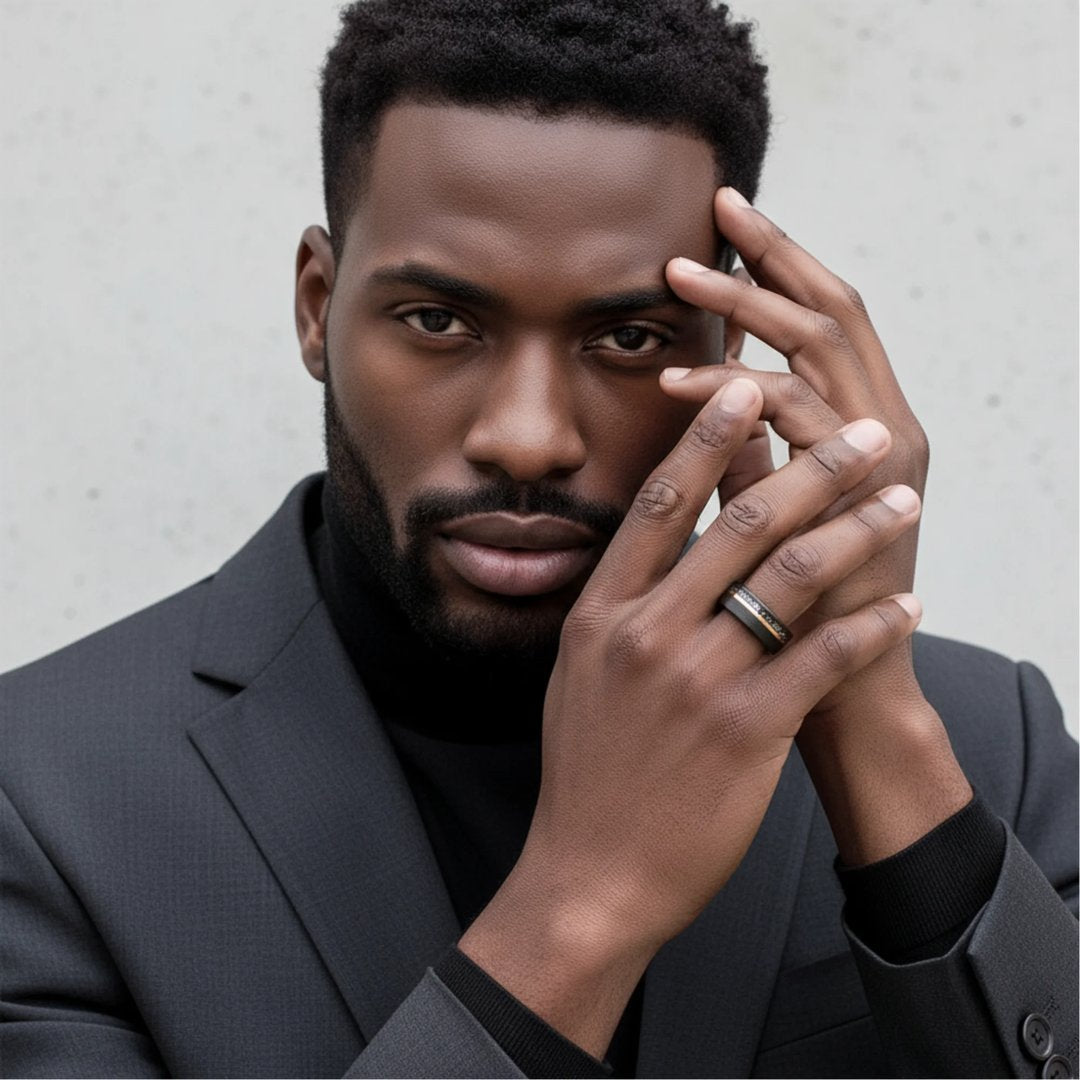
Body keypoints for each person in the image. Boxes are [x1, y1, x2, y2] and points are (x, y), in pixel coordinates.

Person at [1, 1, 1076, 1077]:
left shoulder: (991, 750)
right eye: (438, 321)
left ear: (734, 346)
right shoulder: (41, 799)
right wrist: (587, 902)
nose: (527, 437)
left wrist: (867, 729)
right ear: (318, 309)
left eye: (629, 336)